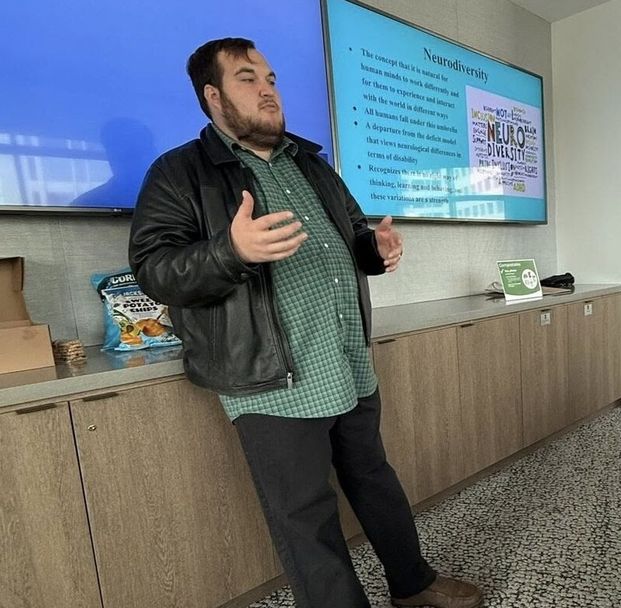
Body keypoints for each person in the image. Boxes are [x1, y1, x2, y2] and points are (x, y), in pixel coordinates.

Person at [129, 38, 482, 608]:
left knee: (374, 478)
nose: (267, 88)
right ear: (213, 96)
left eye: (270, 77)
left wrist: (375, 250)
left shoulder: (310, 164)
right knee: (305, 515)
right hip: (272, 379)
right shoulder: (179, 173)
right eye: (248, 79)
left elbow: (349, 236)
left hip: (345, 359)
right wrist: (231, 251)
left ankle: (413, 584)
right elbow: (154, 270)